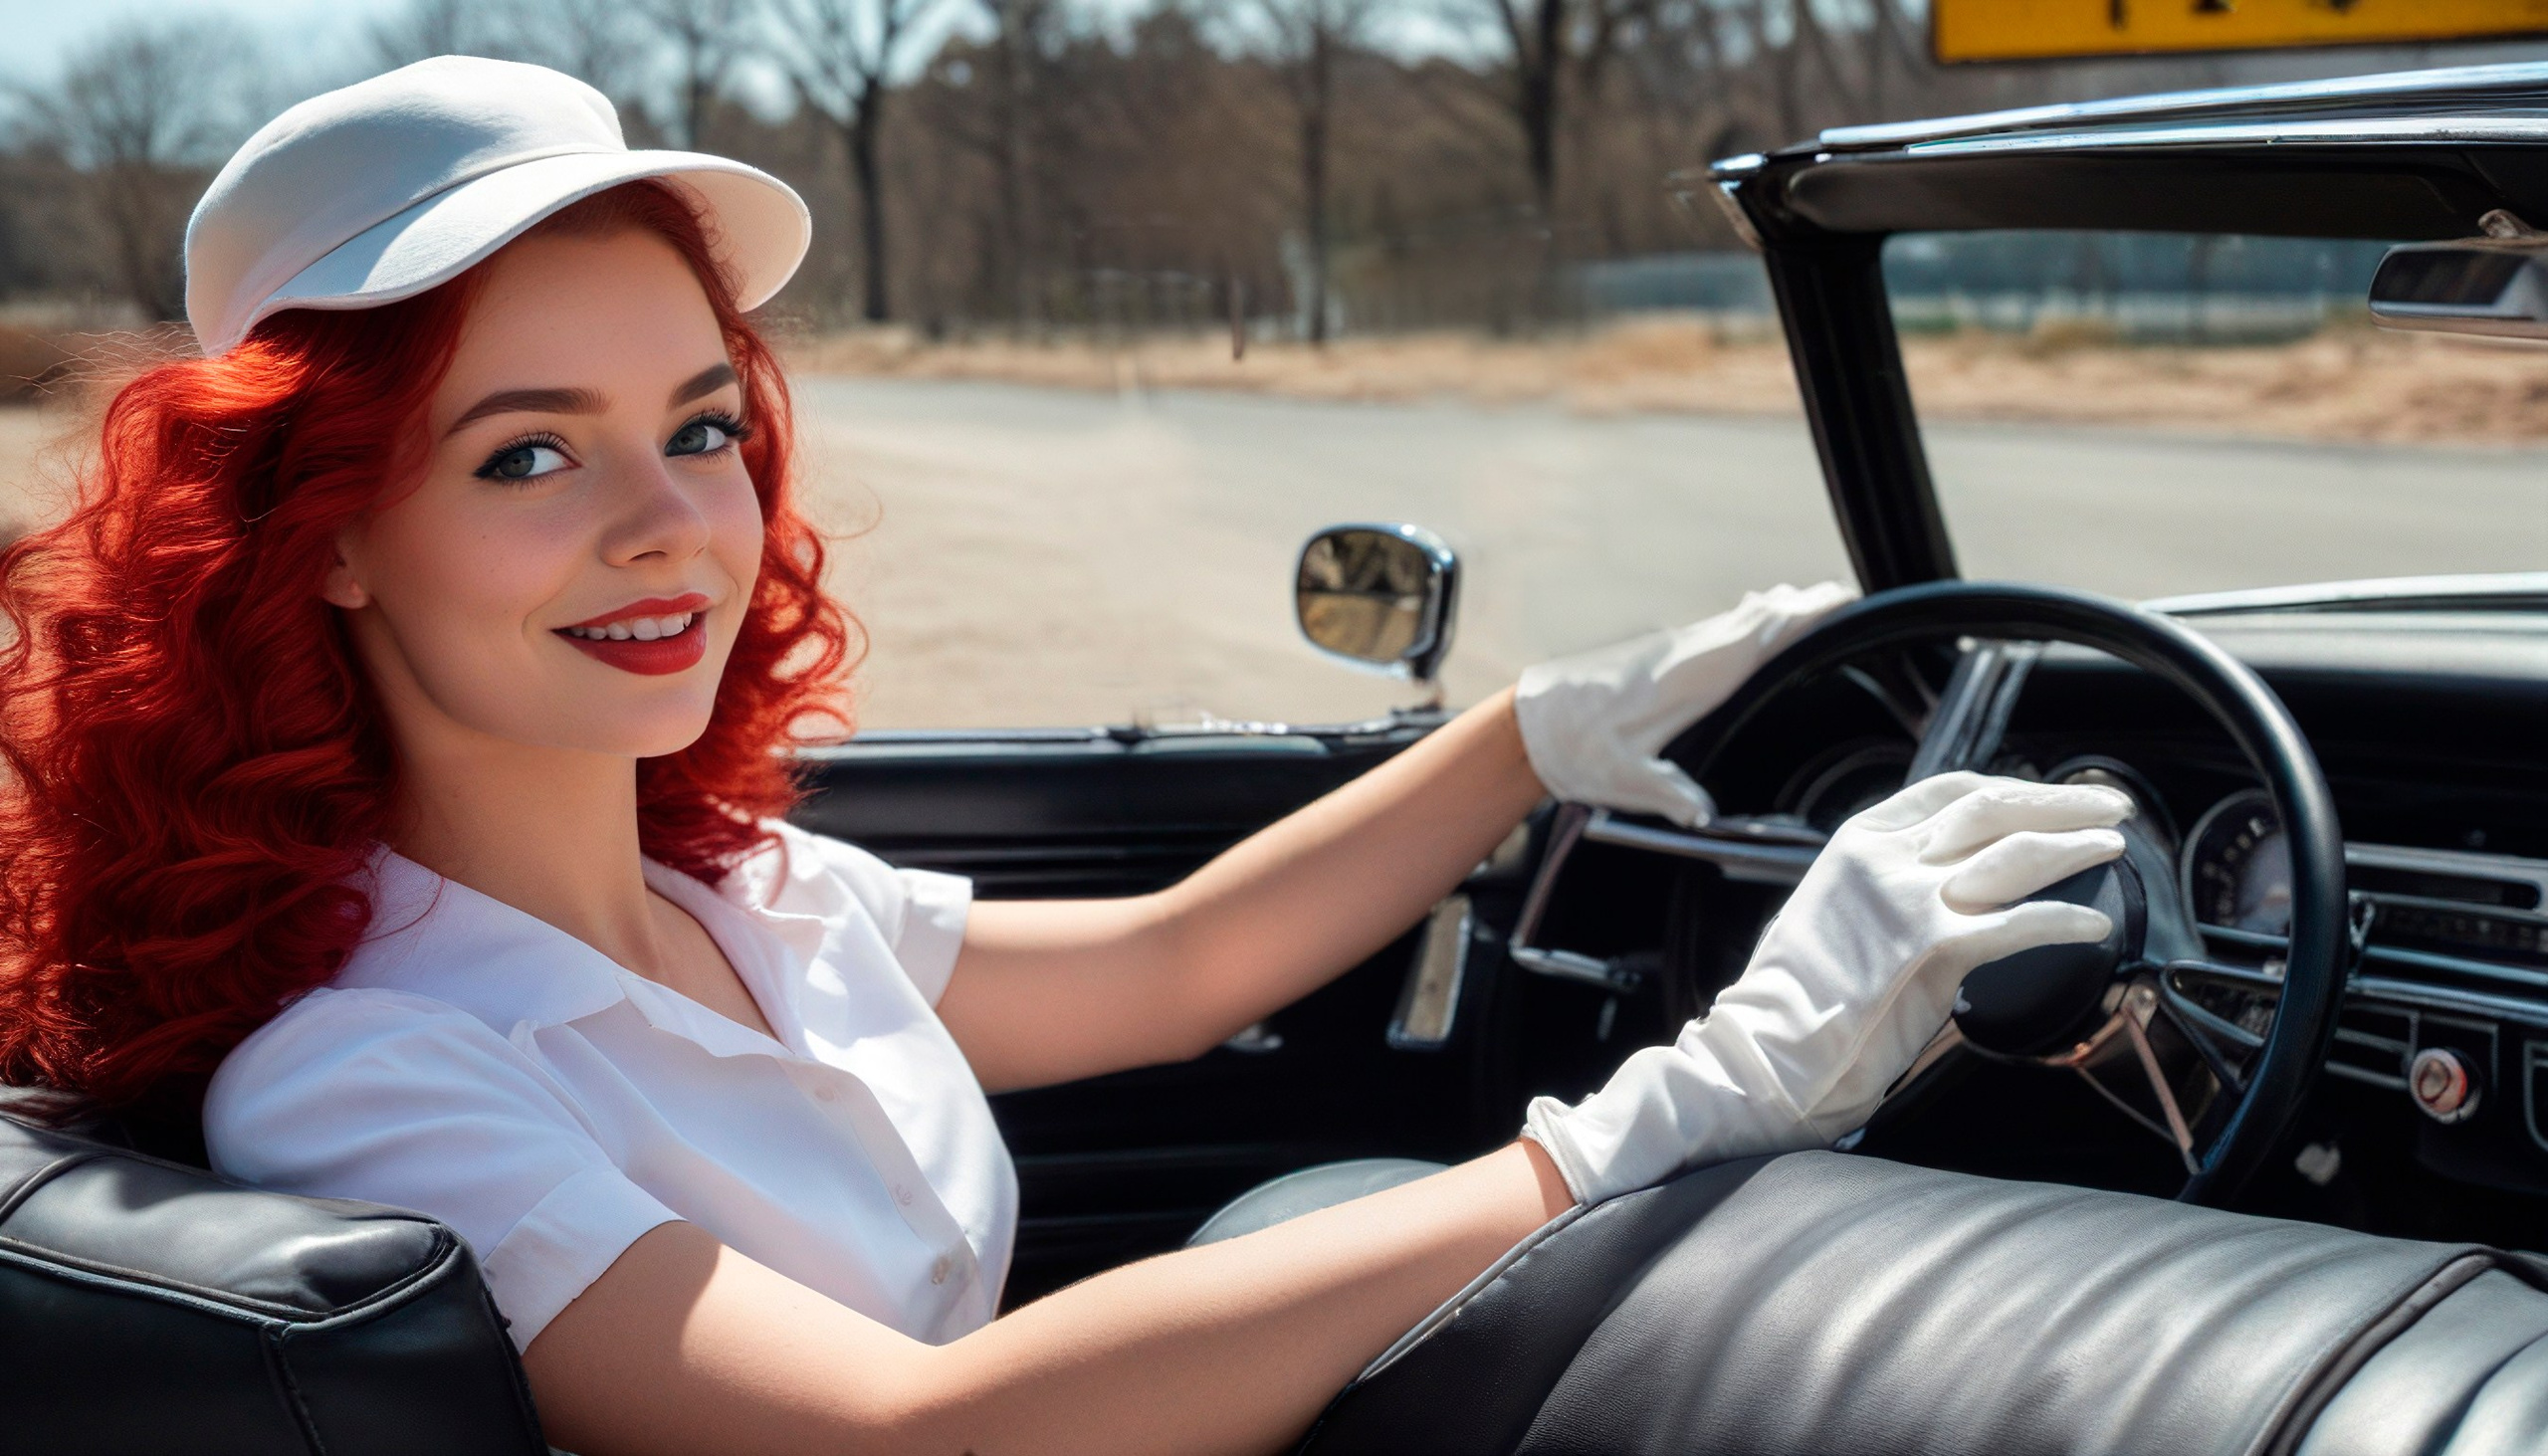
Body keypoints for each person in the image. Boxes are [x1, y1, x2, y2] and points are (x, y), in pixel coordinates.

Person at [0, 58, 2131, 1456]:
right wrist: (1679, 1109)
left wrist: (1527, 732)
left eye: (702, 427)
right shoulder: (369, 1071)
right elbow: (908, 1438)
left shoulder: (729, 890)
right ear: (332, 538)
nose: (667, 523)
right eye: (527, 451)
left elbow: (1180, 967)